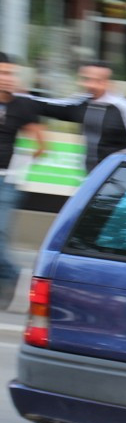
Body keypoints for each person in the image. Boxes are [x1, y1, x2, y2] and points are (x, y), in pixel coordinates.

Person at [34, 60, 126, 172]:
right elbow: (48, 107)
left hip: (120, 178)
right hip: (92, 177)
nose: (91, 85)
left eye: (98, 80)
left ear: (108, 81)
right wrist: (21, 98)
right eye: (87, 79)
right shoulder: (82, 102)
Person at [0, 53, 47, 303]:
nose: (6, 79)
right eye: (2, 73)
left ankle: (11, 274)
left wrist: (19, 167)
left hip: (5, 182)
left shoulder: (22, 106)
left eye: (9, 73)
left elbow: (41, 145)